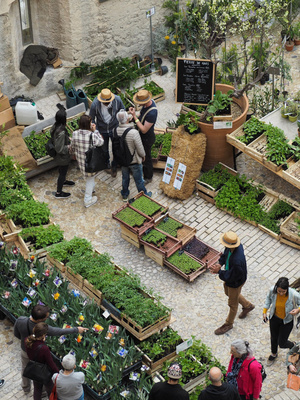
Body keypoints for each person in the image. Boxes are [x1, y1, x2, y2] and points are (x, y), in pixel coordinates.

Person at [14, 304, 88, 394]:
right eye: (46, 317)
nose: (48, 318)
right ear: (40, 320)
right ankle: (43, 390)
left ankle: (26, 388)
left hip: (25, 350)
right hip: (39, 354)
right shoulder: (42, 329)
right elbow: (60, 331)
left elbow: (16, 334)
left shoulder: (21, 320)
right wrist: (76, 329)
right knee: (41, 371)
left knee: (25, 368)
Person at [209, 231, 255, 335]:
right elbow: (225, 255)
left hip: (236, 281)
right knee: (229, 293)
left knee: (232, 304)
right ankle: (247, 305)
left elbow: (233, 276)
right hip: (232, 278)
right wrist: (220, 264)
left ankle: (228, 324)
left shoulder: (237, 261)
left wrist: (219, 272)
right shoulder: (232, 247)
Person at [115, 110, 152, 201]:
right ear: (127, 119)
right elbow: (140, 148)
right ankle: (144, 195)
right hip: (134, 161)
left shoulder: (115, 130)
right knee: (138, 180)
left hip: (123, 160)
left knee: (125, 178)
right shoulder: (133, 132)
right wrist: (143, 156)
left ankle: (125, 194)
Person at [263, 277, 300, 364]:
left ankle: (292, 345)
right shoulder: (273, 290)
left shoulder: (294, 294)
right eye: (279, 291)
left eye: (283, 291)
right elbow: (268, 299)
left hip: (287, 321)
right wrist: (265, 311)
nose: (281, 293)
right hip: (274, 318)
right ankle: (274, 353)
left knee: (282, 343)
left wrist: (298, 310)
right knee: (273, 337)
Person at [70, 114, 104, 208]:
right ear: (88, 124)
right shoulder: (92, 135)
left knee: (90, 178)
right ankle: (87, 199)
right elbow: (101, 142)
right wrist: (95, 131)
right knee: (90, 179)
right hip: (91, 163)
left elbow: (72, 148)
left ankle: (92, 189)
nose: (92, 123)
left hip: (81, 162)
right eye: (91, 122)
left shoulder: (75, 134)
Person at [89, 88, 125, 177]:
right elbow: (92, 118)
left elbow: (122, 109)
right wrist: (96, 131)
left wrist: (120, 116)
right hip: (102, 130)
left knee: (116, 148)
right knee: (104, 150)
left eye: (108, 102)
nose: (107, 104)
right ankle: (107, 165)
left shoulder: (117, 100)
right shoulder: (95, 105)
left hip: (114, 128)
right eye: (105, 103)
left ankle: (115, 165)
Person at [129, 89, 158, 184]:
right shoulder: (148, 104)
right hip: (142, 136)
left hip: (147, 138)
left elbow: (144, 129)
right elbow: (142, 114)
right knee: (139, 154)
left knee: (146, 157)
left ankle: (148, 177)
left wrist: (134, 117)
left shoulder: (152, 113)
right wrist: (134, 117)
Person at [25, 322, 59, 400]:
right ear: (43, 335)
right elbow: (51, 364)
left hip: (34, 369)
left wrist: (41, 341)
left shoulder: (27, 340)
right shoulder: (44, 348)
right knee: (50, 389)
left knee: (37, 389)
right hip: (44, 371)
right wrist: (58, 372)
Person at [51, 108, 74, 199]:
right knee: (62, 172)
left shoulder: (55, 126)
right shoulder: (61, 132)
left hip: (59, 157)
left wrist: (67, 139)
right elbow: (59, 148)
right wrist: (69, 147)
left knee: (62, 170)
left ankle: (64, 181)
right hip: (62, 157)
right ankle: (59, 192)